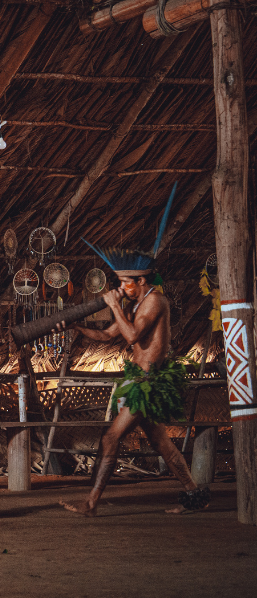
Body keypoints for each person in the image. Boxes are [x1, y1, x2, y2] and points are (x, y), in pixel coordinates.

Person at [57, 184, 209, 516]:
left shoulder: (154, 301)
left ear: (140, 281)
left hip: (148, 382)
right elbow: (109, 334)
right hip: (140, 380)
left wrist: (113, 306)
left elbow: (131, 336)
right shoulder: (139, 300)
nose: (121, 288)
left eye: (125, 283)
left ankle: (92, 503)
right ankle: (194, 495)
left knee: (111, 438)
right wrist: (74, 327)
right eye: (120, 283)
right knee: (161, 443)